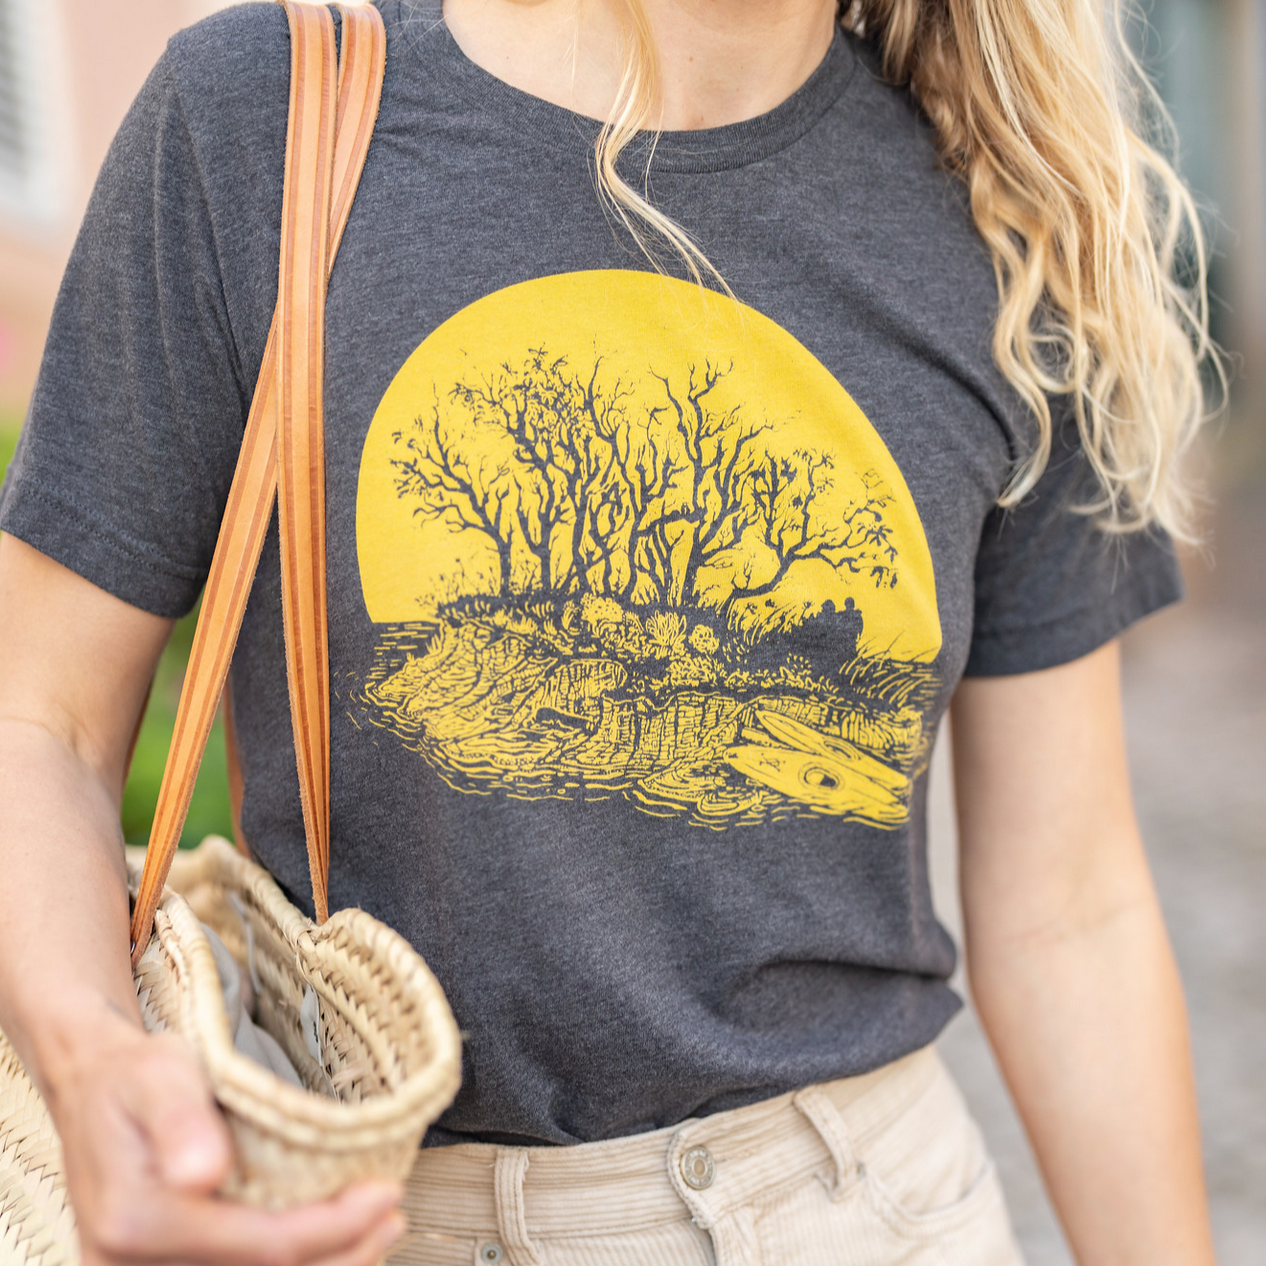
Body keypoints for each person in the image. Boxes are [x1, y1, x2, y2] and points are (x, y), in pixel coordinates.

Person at [0, 0, 1221, 1262]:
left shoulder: (1015, 224)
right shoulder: (273, 114)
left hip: (873, 1212)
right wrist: (92, 1062)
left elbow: (1069, 905)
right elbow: (39, 722)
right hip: (378, 1215)